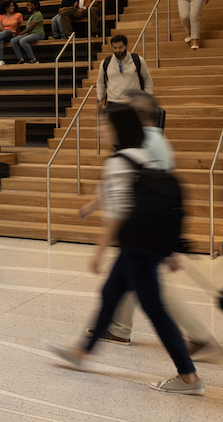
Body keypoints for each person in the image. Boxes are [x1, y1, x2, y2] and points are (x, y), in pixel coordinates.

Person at [46, 106, 203, 394]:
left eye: (103, 125)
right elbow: (155, 205)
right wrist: (166, 250)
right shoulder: (144, 156)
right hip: (143, 243)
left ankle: (188, 376)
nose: (99, 129)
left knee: (155, 309)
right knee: (110, 293)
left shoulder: (118, 162)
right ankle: (82, 353)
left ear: (117, 128)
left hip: (136, 247)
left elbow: (118, 213)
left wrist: (99, 250)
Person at [77, 92, 221, 358]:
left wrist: (167, 245)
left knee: (154, 293)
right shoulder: (145, 140)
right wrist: (95, 203)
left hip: (145, 229)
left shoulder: (149, 141)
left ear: (139, 113)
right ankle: (119, 329)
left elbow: (150, 188)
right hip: (143, 230)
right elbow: (122, 182)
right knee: (126, 284)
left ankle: (198, 338)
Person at [96, 34, 152, 111]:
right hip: (113, 103)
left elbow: (147, 80)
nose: (117, 50)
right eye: (114, 48)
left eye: (120, 47)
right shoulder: (105, 63)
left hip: (134, 103)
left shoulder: (138, 60)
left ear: (126, 45)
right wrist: (99, 99)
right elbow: (100, 82)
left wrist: (147, 99)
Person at [11, 0, 46, 64]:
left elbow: (30, 27)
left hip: (38, 34)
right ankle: (21, 59)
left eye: (30, 5)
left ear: (36, 5)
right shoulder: (33, 15)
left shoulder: (38, 14)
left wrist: (20, 34)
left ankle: (33, 59)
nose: (28, 7)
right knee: (13, 40)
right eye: (27, 5)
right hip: (30, 34)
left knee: (22, 41)